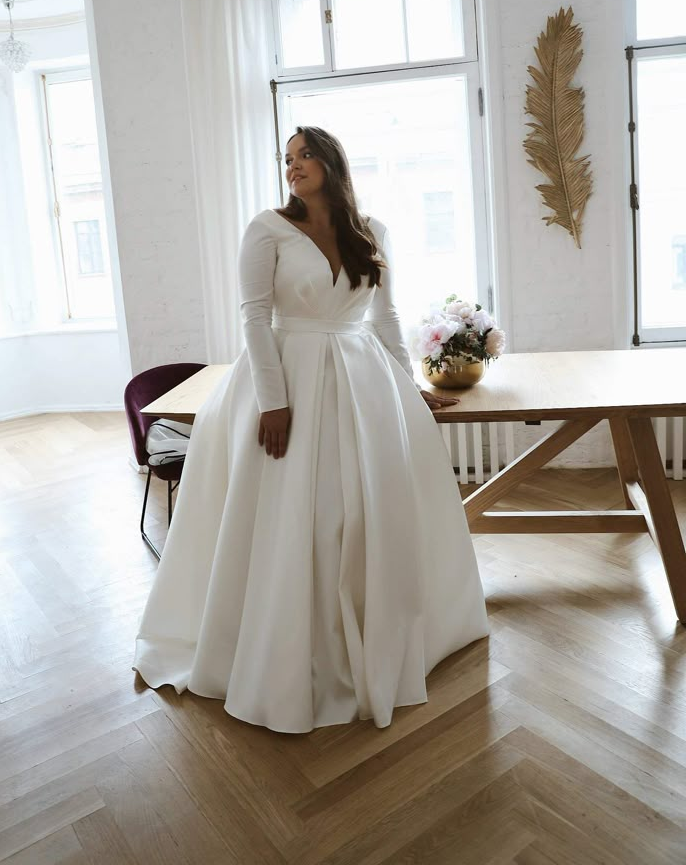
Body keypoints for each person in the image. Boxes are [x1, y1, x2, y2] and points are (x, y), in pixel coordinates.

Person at [133, 126, 488, 733]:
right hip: (289, 377)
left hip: (363, 382)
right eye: (286, 158)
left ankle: (375, 635)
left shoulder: (370, 231)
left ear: (330, 161)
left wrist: (411, 388)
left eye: (303, 156)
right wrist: (274, 401)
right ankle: (294, 651)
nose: (292, 166)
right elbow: (254, 318)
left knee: (363, 513)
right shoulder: (267, 228)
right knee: (304, 515)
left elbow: (386, 316)